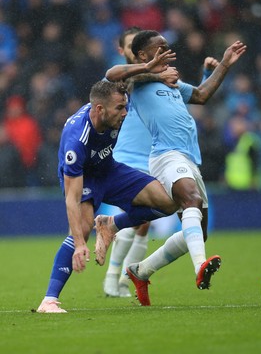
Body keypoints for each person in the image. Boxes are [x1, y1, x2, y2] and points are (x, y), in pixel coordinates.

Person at [96, 30, 246, 305]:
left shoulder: (173, 81)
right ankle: (199, 267)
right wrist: (153, 72)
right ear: (142, 55)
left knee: (199, 231)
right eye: (160, 46)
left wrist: (224, 64)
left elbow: (201, 95)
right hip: (165, 155)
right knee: (190, 200)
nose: (168, 50)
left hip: (189, 157)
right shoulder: (135, 83)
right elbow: (112, 73)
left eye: (168, 45)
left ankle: (140, 271)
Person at [37, 52, 180, 314]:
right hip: (85, 178)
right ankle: (49, 300)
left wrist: (152, 71)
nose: (125, 113)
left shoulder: (107, 96)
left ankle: (112, 225)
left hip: (110, 170)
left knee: (168, 203)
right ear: (100, 109)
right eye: (120, 108)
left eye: (126, 106)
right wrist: (81, 244)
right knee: (80, 228)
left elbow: (115, 73)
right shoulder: (76, 142)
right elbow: (71, 197)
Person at [103, 26, 179, 298]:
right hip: (127, 156)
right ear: (123, 50)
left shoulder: (154, 78)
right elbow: (121, 80)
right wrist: (156, 72)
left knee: (144, 221)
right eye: (129, 46)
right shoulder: (124, 80)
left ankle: (123, 278)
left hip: (152, 155)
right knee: (137, 217)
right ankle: (114, 277)